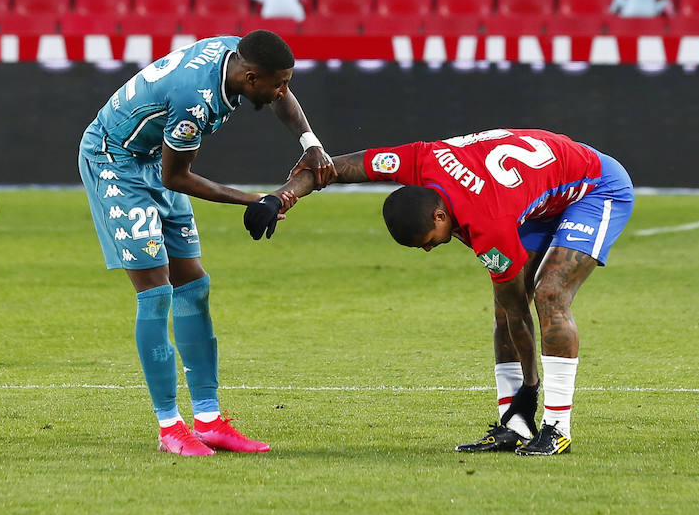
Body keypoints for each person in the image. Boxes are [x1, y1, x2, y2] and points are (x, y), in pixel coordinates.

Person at [264, 128, 635, 456]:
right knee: (503, 308)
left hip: (596, 188)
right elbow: (336, 168)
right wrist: (281, 197)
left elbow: (520, 310)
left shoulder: (489, 224)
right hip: (536, 195)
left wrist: (531, 385)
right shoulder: (421, 160)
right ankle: (515, 425)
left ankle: (556, 428)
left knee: (548, 296)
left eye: (428, 242)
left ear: (440, 216)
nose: (428, 250)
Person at [78, 31, 334, 456]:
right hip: (114, 160)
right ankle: (169, 427)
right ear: (250, 78)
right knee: (156, 289)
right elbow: (175, 177)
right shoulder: (194, 102)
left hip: (150, 157)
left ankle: (210, 422)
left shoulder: (239, 52)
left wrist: (311, 144)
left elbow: (280, 96)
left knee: (193, 284)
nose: (283, 92)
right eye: (277, 84)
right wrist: (256, 199)